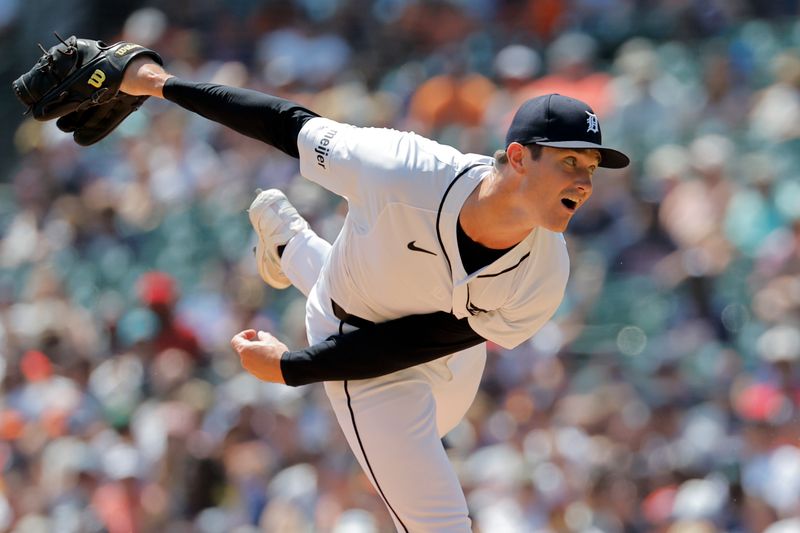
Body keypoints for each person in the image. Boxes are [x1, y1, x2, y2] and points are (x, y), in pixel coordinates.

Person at [119, 55, 629, 532]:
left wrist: (291, 366)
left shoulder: (546, 269)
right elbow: (285, 122)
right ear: (518, 156)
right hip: (358, 350)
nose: (585, 182)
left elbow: (420, 339)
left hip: (450, 362)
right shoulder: (404, 168)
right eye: (570, 163)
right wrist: (157, 83)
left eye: (590, 168)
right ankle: (291, 246)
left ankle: (289, 243)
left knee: (401, 298)